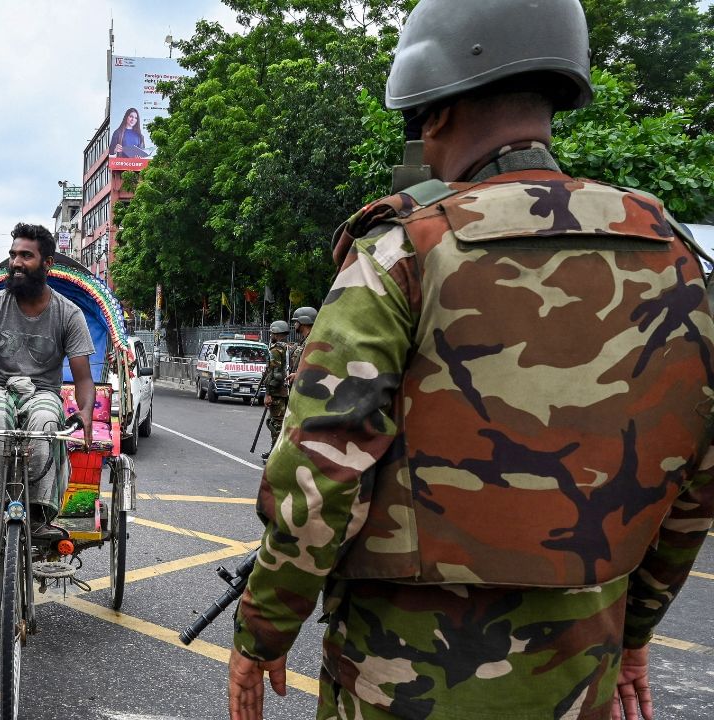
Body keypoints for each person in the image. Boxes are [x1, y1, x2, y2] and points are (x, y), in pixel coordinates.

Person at [227, 2, 714, 719]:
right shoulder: (675, 259)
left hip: (402, 677)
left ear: (435, 112)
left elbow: (322, 468)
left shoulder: (403, 252)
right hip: (580, 670)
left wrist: (263, 631)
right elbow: (696, 479)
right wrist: (631, 633)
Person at [0, 223, 95, 537]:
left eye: (26, 255)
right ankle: (0, 508)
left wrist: (87, 412)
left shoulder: (69, 314)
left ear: (47, 263)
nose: (16, 262)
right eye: (13, 255)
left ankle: (38, 514)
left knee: (48, 422)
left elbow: (83, 376)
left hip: (43, 391)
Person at [257, 320, 291, 461]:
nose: (271, 335)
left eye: (272, 332)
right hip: (286, 391)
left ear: (276, 333)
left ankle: (276, 455)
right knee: (276, 422)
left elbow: (276, 374)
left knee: (275, 423)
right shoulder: (288, 347)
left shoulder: (275, 350)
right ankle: (274, 450)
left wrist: (268, 393)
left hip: (277, 392)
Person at [284, 306, 315, 387]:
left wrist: (298, 375)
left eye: (296, 322)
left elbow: (313, 367)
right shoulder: (306, 340)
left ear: (303, 321)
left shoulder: (312, 341)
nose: (294, 324)